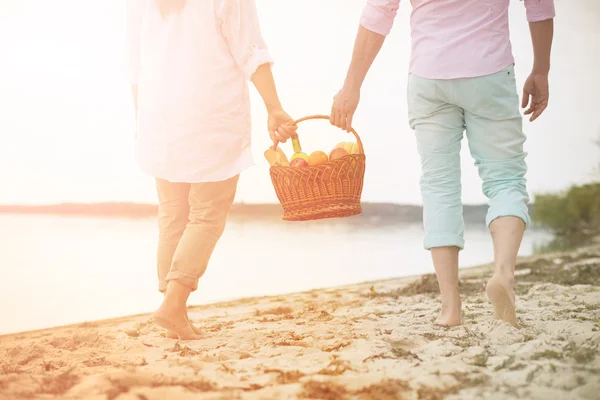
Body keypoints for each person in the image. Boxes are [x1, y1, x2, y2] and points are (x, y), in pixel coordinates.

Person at [331, 0, 555, 327]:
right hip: (489, 72)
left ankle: (450, 308)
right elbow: (539, 6)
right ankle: (503, 273)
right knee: (505, 180)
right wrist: (541, 70)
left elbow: (378, 12)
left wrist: (352, 86)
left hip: (428, 77)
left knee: (439, 188)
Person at [126, 0, 296, 339]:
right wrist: (274, 108)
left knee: (173, 213)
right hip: (210, 115)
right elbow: (251, 51)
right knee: (207, 213)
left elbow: (135, 64)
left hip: (158, 114)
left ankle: (173, 310)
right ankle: (173, 307)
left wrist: (143, 118)